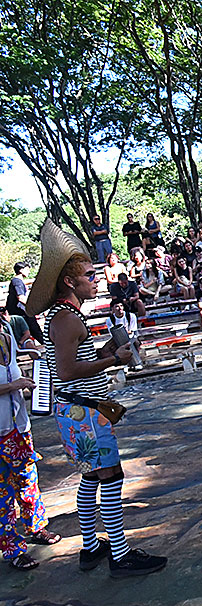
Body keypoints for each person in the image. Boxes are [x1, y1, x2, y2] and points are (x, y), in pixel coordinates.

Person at [26, 219, 167, 577]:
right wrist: (113, 360)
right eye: (89, 275)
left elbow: (75, 362)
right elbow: (70, 371)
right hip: (85, 412)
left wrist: (106, 351)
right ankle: (119, 555)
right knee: (111, 477)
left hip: (79, 410)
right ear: (70, 282)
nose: (96, 279)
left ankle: (91, 547)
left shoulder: (65, 316)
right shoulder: (68, 319)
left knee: (91, 478)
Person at [0, 315, 61, 571]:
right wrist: (14, 384)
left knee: (28, 477)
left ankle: (36, 527)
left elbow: (12, 360)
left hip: (19, 424)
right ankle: (12, 548)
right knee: (2, 492)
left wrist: (28, 368)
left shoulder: (5, 327)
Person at [6, 262, 41, 341]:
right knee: (35, 331)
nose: (29, 272)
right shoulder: (17, 281)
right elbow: (21, 298)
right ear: (21, 270)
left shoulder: (17, 281)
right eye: (27, 269)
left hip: (20, 312)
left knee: (33, 332)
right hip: (20, 312)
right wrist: (34, 307)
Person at [107, 299, 143, 371]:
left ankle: (137, 363)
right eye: (117, 306)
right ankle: (125, 364)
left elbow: (132, 330)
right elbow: (112, 333)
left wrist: (125, 333)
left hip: (131, 337)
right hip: (118, 339)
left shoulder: (131, 316)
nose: (120, 308)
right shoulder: (110, 320)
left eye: (121, 306)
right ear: (113, 308)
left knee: (135, 343)